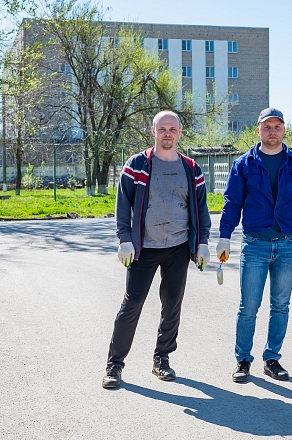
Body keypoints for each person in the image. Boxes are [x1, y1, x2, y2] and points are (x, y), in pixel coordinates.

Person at [102, 110, 211, 389]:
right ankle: (114, 364)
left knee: (172, 305)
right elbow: (122, 204)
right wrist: (124, 238)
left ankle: (162, 358)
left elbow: (200, 208)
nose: (167, 133)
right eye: (162, 129)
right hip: (143, 248)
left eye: (172, 129)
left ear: (179, 132)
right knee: (132, 304)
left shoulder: (191, 168)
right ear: (153, 131)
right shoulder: (137, 165)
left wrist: (202, 243)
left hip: (178, 247)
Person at [217, 107, 292, 383]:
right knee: (249, 306)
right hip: (255, 245)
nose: (272, 131)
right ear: (258, 130)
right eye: (267, 126)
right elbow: (232, 203)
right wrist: (224, 236)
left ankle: (272, 358)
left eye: (277, 126)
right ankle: (242, 360)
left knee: (281, 305)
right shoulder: (244, 164)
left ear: (284, 129)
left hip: (288, 244)